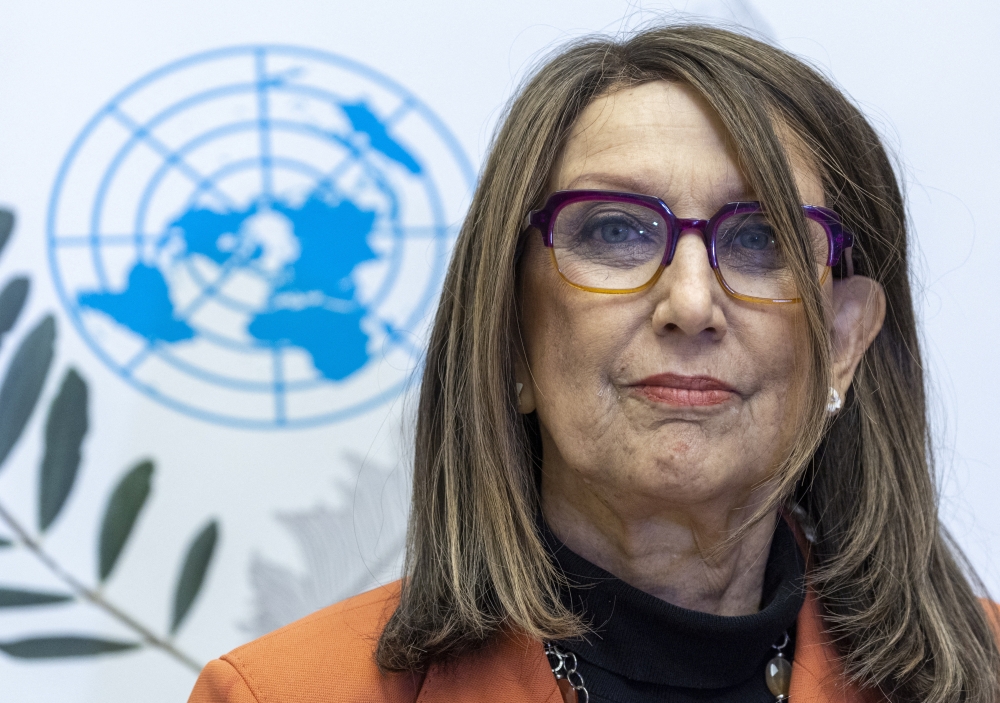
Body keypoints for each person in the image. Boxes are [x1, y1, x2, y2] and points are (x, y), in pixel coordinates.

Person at [188, 24, 1000, 703]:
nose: (691, 301)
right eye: (616, 230)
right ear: (507, 332)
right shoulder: (283, 693)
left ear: (846, 342)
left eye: (761, 240)